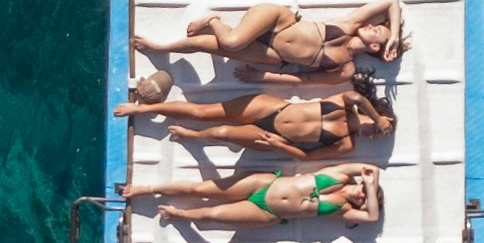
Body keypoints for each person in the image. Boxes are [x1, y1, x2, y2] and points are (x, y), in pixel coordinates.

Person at [142, 0, 403, 76]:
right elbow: (392, 1)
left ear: (374, 49)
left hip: (275, 56)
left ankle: (160, 47)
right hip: (279, 22)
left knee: (206, 45)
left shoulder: (345, 69)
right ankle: (213, 19)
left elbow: (300, 84)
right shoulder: (350, 22)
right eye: (377, 26)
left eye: (377, 32)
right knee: (231, 41)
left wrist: (262, 76)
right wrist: (394, 37)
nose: (371, 26)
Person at [113, 80, 394, 152]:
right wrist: (375, 115)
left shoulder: (347, 144)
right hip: (271, 108)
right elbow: (356, 97)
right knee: (203, 112)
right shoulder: (345, 103)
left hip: (276, 136)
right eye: (379, 127)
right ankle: (142, 109)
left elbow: (307, 157)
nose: (375, 133)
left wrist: (278, 145)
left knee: (221, 134)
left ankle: (191, 135)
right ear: (375, 115)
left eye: (378, 135)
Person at [151, 161, 381, 230]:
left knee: (214, 215)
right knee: (200, 189)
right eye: (364, 193)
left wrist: (370, 191)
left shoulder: (344, 210)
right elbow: (373, 169)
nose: (361, 197)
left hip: (267, 212)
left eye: (365, 200)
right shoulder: (338, 175)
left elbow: (372, 218)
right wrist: (370, 182)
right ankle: (148, 189)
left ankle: (180, 214)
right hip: (265, 184)